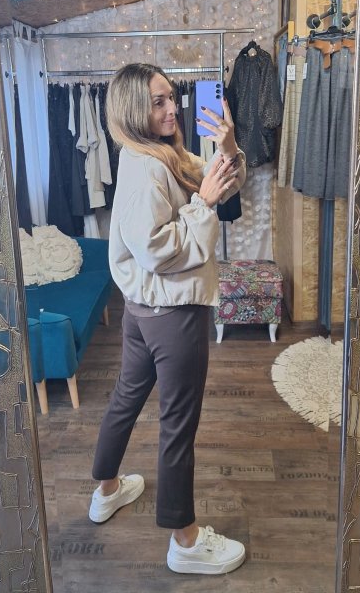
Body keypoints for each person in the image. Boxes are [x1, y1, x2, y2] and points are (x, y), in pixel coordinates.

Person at [88, 62, 248, 575]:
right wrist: (202, 205)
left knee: (127, 396)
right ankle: (185, 541)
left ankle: (106, 490)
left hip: (144, 309)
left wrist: (227, 147)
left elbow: (221, 180)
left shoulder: (163, 154)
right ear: (134, 109)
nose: (171, 108)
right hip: (172, 310)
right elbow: (157, 249)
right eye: (157, 102)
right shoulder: (146, 168)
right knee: (178, 424)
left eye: (170, 97)